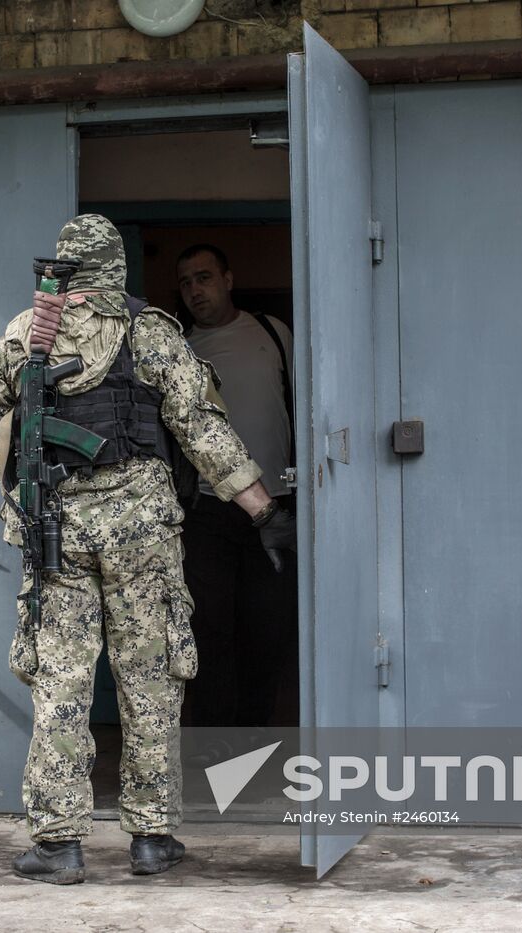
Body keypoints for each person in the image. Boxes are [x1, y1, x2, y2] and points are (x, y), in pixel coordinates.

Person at [0, 215, 295, 885]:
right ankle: (151, 836)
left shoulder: (27, 334)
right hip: (143, 530)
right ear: (117, 266)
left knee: (61, 682)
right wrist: (262, 507)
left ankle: (59, 844)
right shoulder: (151, 334)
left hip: (58, 530)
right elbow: (202, 430)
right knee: (150, 680)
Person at [176, 243, 298, 728]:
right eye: (185, 282)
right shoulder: (179, 347)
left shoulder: (273, 333)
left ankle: (257, 740)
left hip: (277, 505)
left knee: (267, 631)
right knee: (209, 631)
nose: (194, 290)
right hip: (209, 511)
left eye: (203, 277)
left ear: (228, 278)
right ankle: (216, 746)